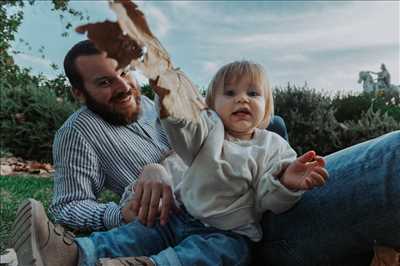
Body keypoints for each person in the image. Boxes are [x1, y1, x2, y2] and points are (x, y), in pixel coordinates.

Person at [11, 40, 400, 266]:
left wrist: (283, 178)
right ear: (79, 93)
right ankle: (74, 255)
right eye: (104, 82)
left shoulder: (153, 108)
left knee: (274, 132)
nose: (125, 86)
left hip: (237, 216)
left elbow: (193, 140)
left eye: (126, 72)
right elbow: (69, 204)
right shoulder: (78, 132)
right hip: (173, 213)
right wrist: (122, 207)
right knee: (139, 236)